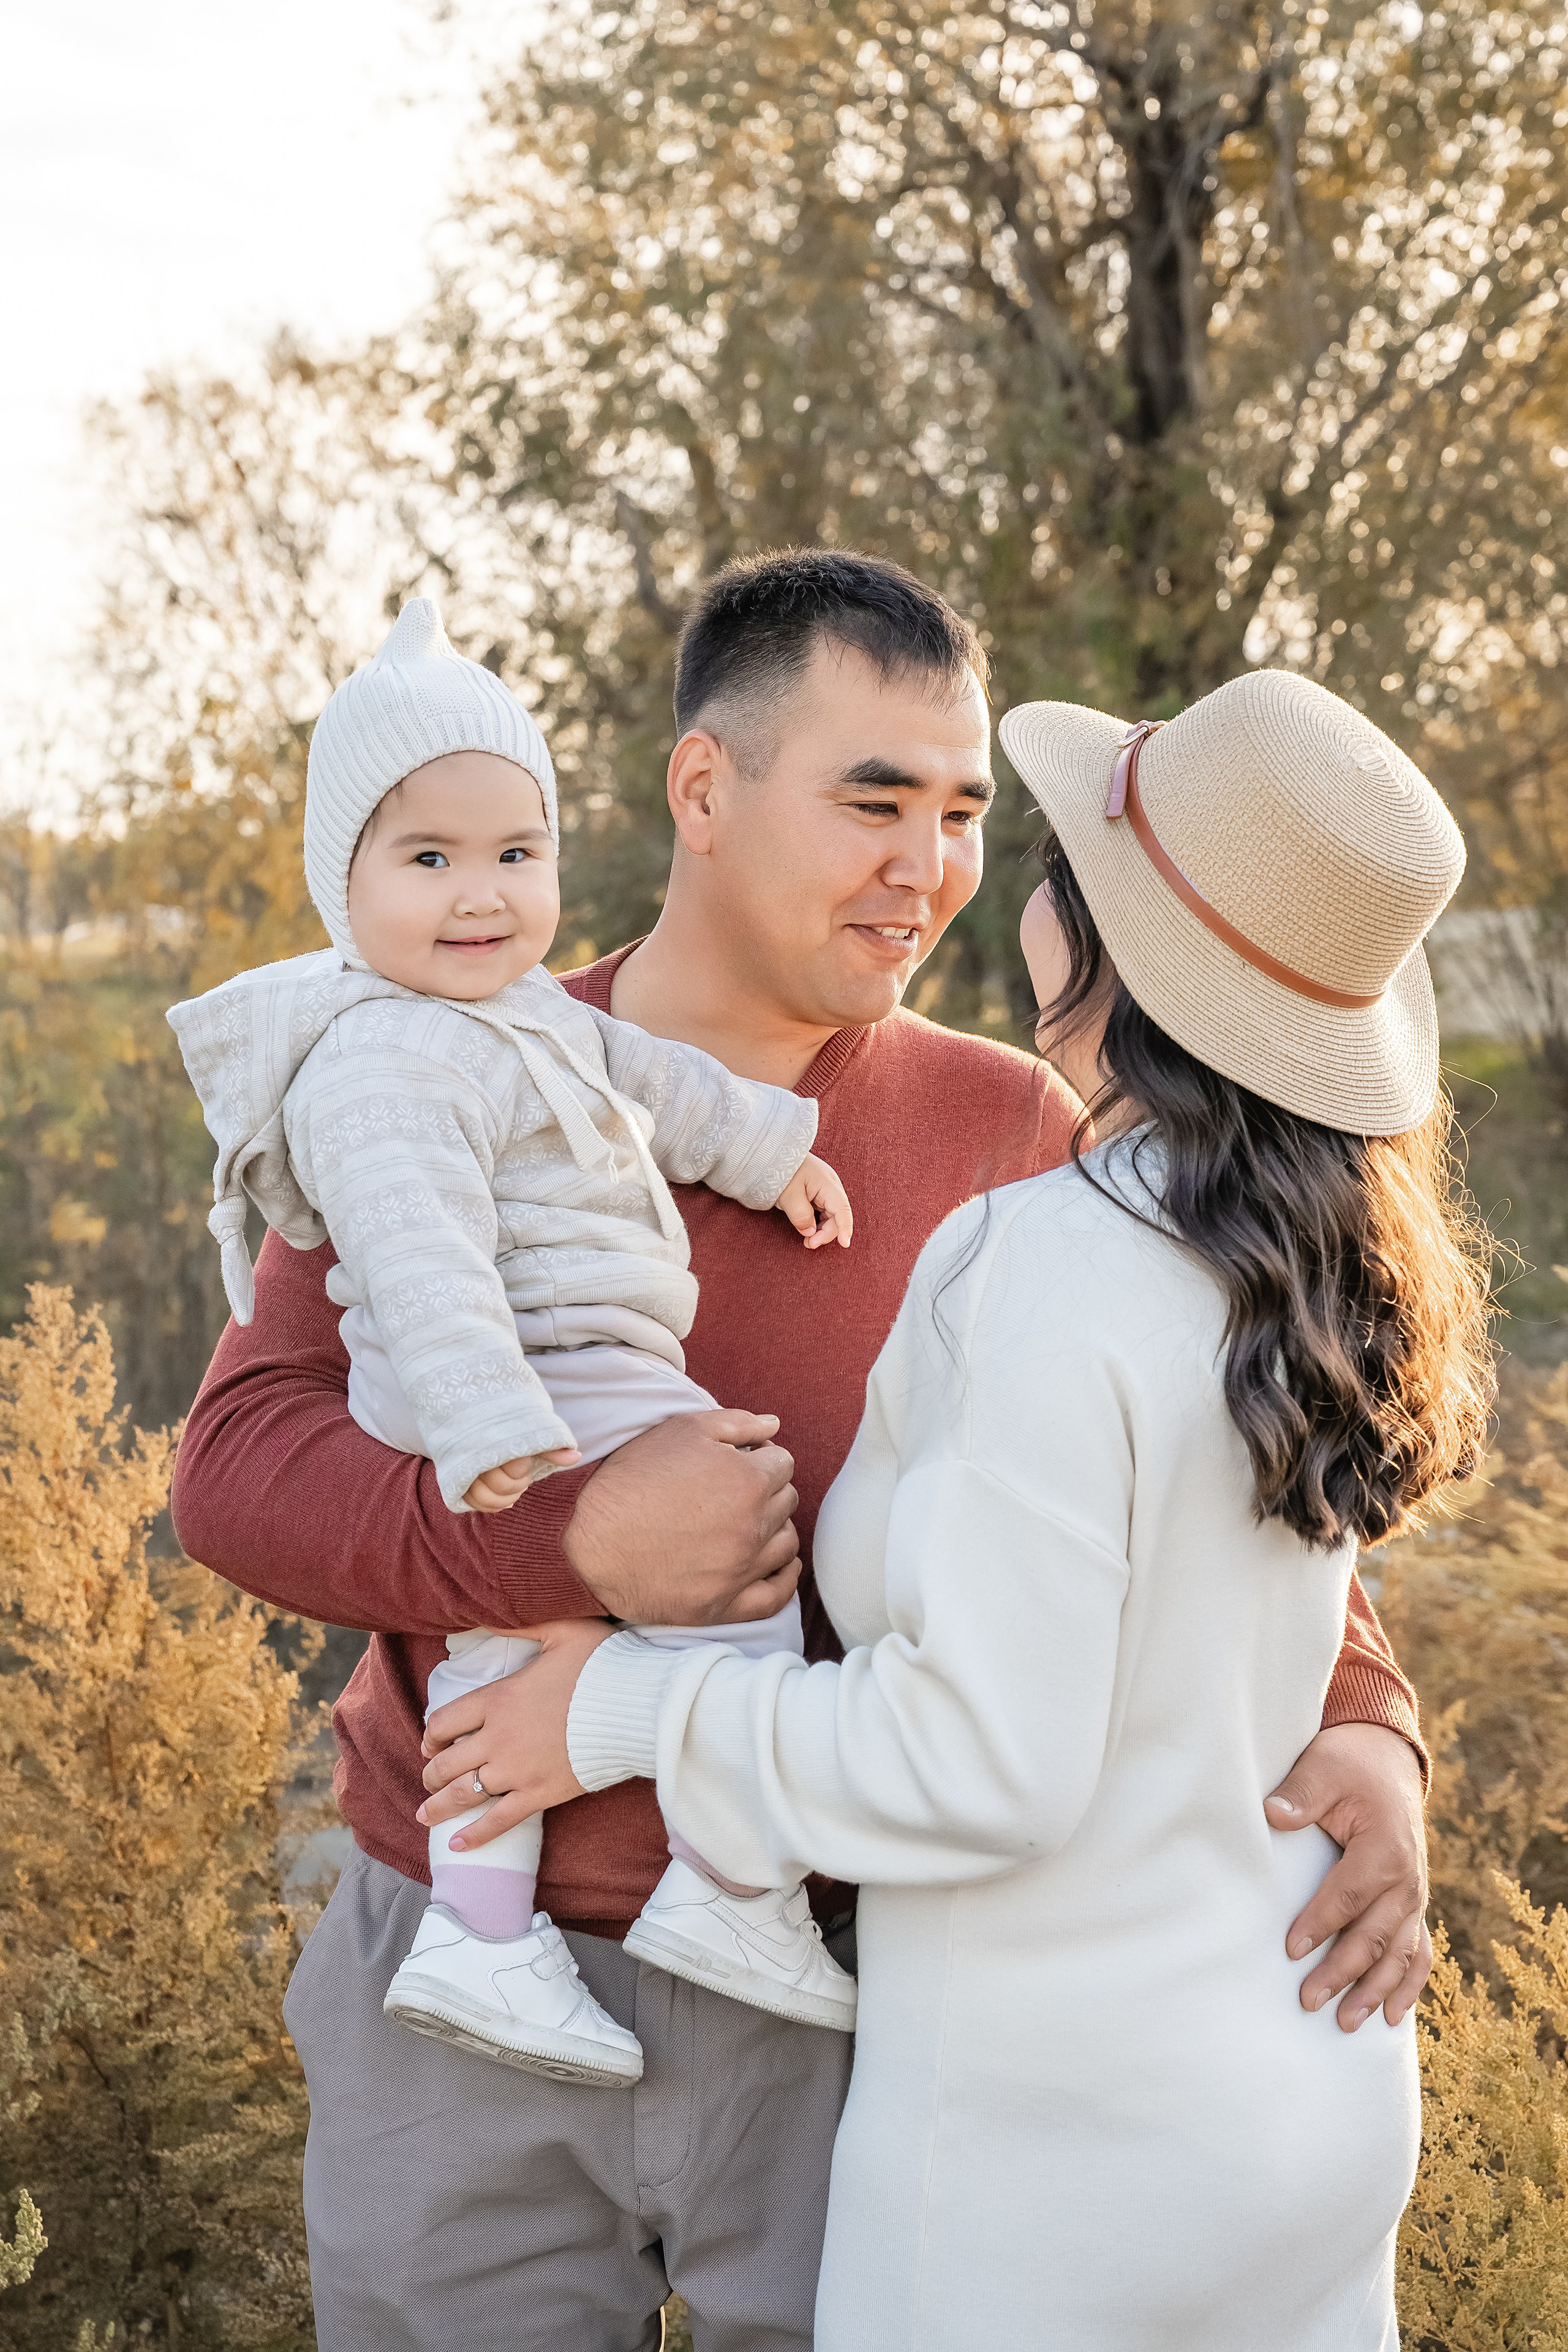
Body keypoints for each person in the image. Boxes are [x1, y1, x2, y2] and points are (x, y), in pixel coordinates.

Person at [172, 554, 1435, 2351]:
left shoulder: (1016, 1126)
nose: (924, 868)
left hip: (845, 1985)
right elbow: (238, 1469)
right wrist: (583, 1547)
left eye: (963, 813)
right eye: (873, 803)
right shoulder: (449, 1056)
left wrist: (1366, 1724)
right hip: (464, 1970)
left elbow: (1212, 1457)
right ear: (703, 789)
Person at [168, 597, 858, 2086]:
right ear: (338, 888)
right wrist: (497, 1441)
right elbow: (419, 1266)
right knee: (744, 1576)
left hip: (548, 1365)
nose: (480, 895)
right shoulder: (381, 1057)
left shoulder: (529, 1011)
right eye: (428, 860)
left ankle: (485, 1946)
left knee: (508, 1652)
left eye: (514, 853)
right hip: (534, 1372)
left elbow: (664, 1088)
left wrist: (768, 1154)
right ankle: (734, 1891)